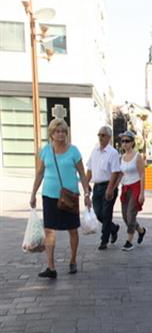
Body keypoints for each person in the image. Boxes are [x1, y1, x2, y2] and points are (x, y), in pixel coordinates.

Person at [29, 118, 91, 278]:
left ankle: (73, 260)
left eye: (64, 131)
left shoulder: (73, 151)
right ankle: (51, 267)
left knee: (72, 229)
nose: (61, 134)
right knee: (49, 230)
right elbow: (40, 173)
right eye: (58, 131)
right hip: (49, 196)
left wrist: (86, 193)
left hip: (69, 196)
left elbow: (82, 174)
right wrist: (33, 193)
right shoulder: (45, 151)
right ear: (51, 133)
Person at [86, 125, 122, 250]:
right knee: (98, 213)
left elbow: (115, 172)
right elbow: (89, 169)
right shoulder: (94, 151)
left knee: (106, 214)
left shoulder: (112, 153)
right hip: (97, 186)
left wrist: (110, 188)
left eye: (103, 135)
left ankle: (104, 239)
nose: (100, 137)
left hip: (108, 185)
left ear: (108, 137)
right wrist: (86, 184)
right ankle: (113, 228)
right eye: (99, 135)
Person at [118, 131, 146, 251]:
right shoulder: (121, 158)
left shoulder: (137, 156)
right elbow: (120, 174)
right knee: (125, 216)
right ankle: (140, 230)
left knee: (131, 214)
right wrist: (113, 186)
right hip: (125, 188)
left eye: (127, 141)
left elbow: (142, 175)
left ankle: (129, 241)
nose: (124, 144)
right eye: (123, 141)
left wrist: (142, 193)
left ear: (132, 142)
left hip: (135, 187)